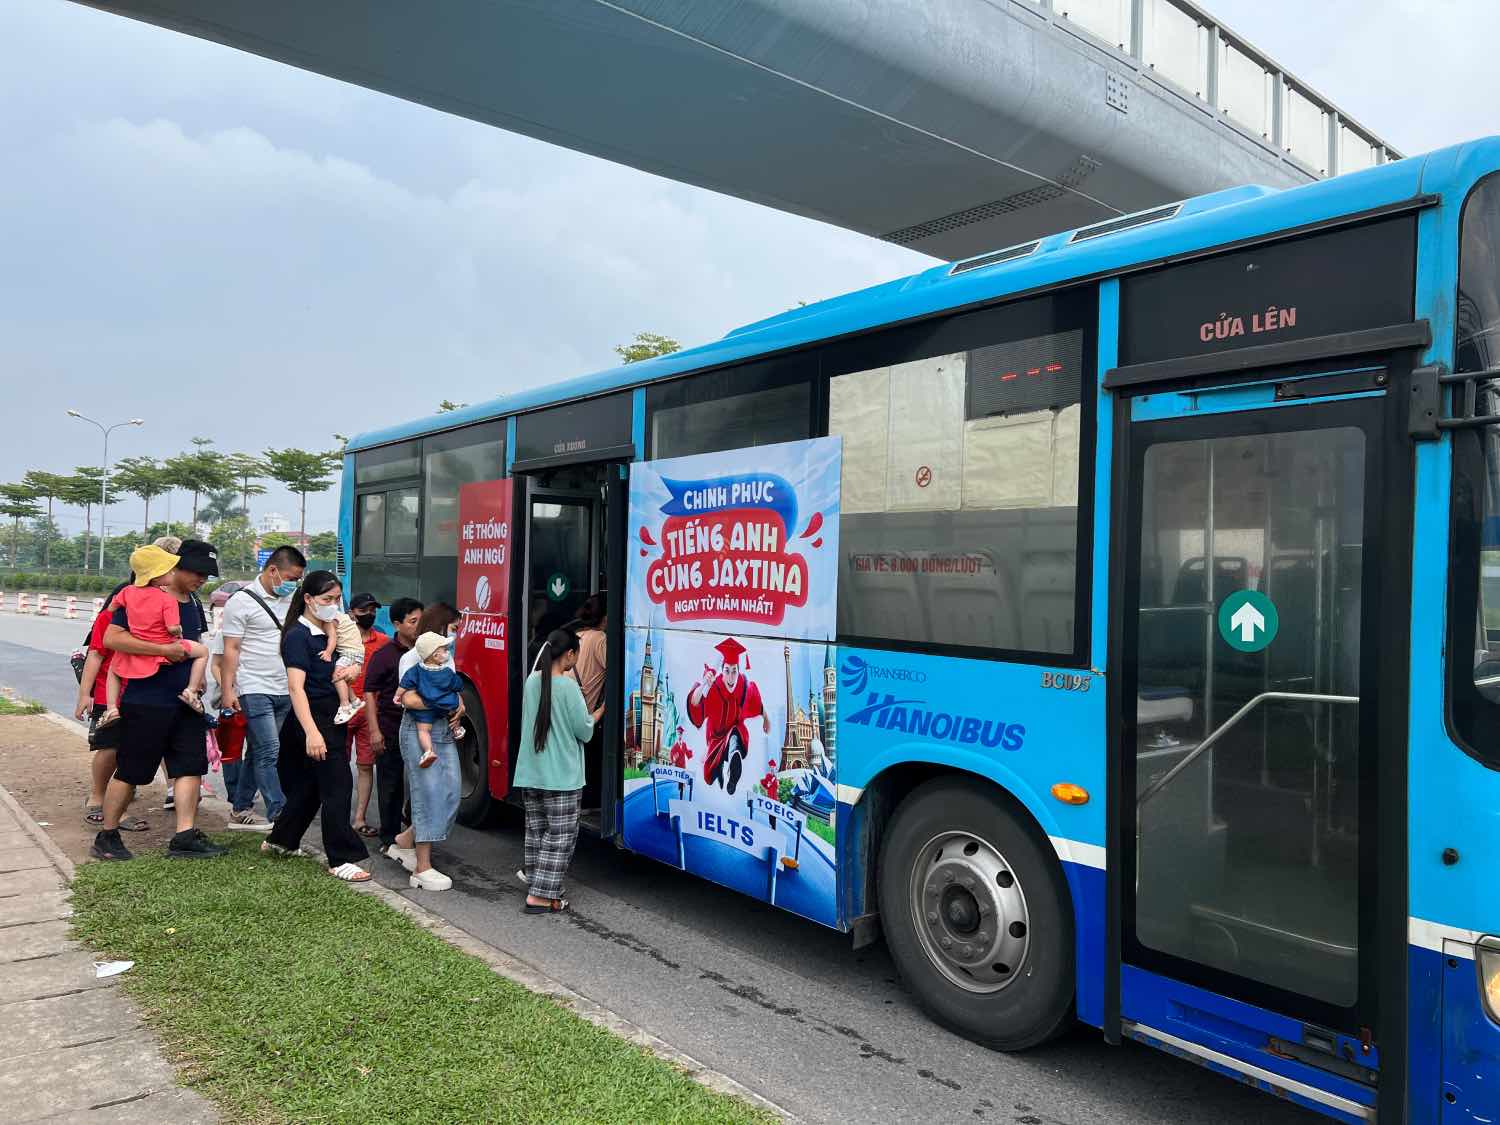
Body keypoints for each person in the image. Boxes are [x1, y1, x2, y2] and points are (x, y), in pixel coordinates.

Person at [91, 539, 227, 861]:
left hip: (185, 701)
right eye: (197, 573)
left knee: (190, 767)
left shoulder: (193, 601)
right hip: (146, 698)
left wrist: (198, 684)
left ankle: (185, 836)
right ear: (174, 566)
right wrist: (164, 651)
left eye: (207, 576)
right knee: (132, 769)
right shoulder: (137, 595)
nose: (202, 580)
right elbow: (112, 639)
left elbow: (194, 645)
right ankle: (107, 836)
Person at [260, 570, 370, 881]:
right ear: (308, 599)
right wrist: (311, 732)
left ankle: (281, 840)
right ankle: (341, 858)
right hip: (312, 716)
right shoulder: (298, 635)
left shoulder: (329, 629)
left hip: (330, 713)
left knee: (310, 786)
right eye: (327, 599)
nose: (333, 605)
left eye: (336, 599)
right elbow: (296, 688)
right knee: (338, 784)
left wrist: (349, 673)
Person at [514, 628, 603, 914]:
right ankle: (540, 896)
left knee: (537, 831)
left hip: (531, 772)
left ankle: (537, 882)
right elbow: (585, 731)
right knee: (561, 835)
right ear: (569, 655)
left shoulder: (531, 682)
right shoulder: (569, 689)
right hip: (562, 775)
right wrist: (600, 711)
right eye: (576, 654)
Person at [219, 545, 306, 831]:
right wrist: (229, 690)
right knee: (270, 748)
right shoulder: (240, 602)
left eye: (298, 579)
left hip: (285, 687)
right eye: (291, 577)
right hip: (253, 685)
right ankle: (279, 812)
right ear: (273, 571)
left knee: (258, 752)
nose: (294, 583)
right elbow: (230, 649)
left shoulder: (294, 598)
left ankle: (240, 808)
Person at [385, 602, 465, 888]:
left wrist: (459, 705)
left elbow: (455, 691)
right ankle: (422, 868)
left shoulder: (446, 660)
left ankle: (404, 841)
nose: (456, 635)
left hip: (443, 730)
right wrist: (444, 703)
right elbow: (407, 700)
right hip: (419, 731)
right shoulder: (411, 659)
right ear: (441, 627)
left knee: (452, 793)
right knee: (428, 794)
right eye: (453, 628)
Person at [99, 545, 209, 726]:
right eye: (169, 570)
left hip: (147, 665)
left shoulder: (127, 592)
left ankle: (111, 708)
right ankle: (191, 691)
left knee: (114, 668)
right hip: (151, 688)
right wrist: (167, 646)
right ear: (157, 575)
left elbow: (111, 607)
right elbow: (173, 627)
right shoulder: (166, 599)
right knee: (203, 652)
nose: (173, 573)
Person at [74, 586, 148, 832]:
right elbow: (95, 655)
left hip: (140, 692)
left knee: (130, 751)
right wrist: (85, 694)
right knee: (109, 747)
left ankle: (117, 806)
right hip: (109, 693)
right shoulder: (109, 617)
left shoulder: (154, 615)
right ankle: (97, 796)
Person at [362, 596, 422, 852]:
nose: (418, 626)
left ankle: (413, 833)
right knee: (391, 785)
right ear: (397, 624)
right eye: (413, 621)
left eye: (421, 620)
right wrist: (374, 731)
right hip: (390, 728)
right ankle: (389, 839)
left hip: (421, 729)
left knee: (421, 784)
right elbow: (369, 693)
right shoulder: (384, 655)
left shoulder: (428, 652)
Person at [686, 637, 770, 796]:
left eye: (734, 671)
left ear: (739, 671)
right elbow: (695, 702)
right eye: (727, 671)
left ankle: (734, 762)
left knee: (735, 736)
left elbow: (757, 703)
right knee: (709, 776)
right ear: (722, 671)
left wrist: (766, 718)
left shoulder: (744, 687)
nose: (731, 677)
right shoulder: (713, 687)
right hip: (715, 738)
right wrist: (704, 684)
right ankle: (719, 772)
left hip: (734, 732)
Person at [344, 593, 388, 838]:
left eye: (373, 609)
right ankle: (338, 815)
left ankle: (359, 818)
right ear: (352, 613)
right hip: (343, 711)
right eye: (364, 610)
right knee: (338, 767)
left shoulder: (382, 641)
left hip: (370, 714)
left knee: (365, 766)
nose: (369, 614)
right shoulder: (339, 640)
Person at [399, 632, 465, 769]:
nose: (448, 652)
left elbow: (404, 684)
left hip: (424, 716)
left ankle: (428, 751)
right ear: (435, 655)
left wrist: (396, 695)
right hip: (441, 711)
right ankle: (457, 730)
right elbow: (458, 685)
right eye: (445, 650)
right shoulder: (446, 672)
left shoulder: (415, 671)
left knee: (423, 732)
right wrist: (448, 701)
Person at [328, 600, 367, 726]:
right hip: (356, 651)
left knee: (337, 675)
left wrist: (328, 652)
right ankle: (355, 701)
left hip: (349, 652)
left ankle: (345, 706)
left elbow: (332, 637)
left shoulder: (332, 618)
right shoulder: (342, 616)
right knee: (343, 678)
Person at [571, 594, 608, 712]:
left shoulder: (575, 635)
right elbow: (616, 674)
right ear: (606, 618)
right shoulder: (600, 639)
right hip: (579, 718)